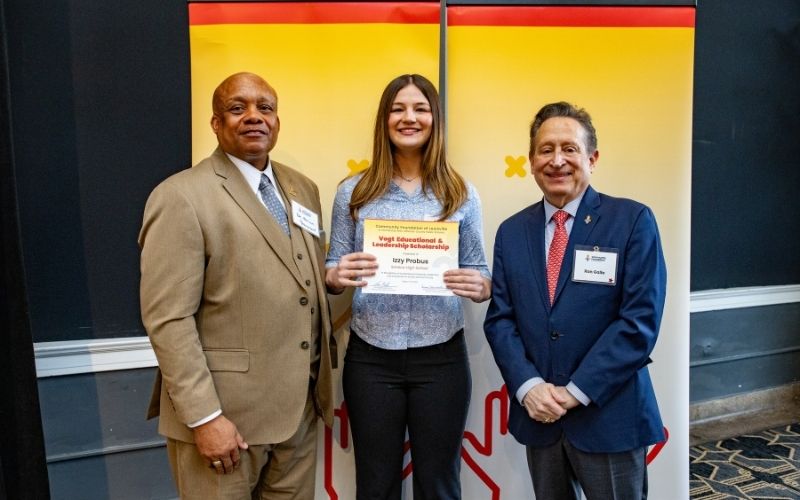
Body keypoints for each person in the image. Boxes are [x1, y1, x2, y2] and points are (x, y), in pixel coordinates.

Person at [139, 72, 336, 499]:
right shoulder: (181, 197)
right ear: (215, 123)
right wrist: (205, 418)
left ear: (277, 121)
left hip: (298, 415)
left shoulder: (304, 190)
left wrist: (332, 280)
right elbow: (168, 320)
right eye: (237, 108)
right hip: (225, 422)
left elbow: (298, 280)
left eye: (265, 108)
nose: (254, 117)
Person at [484, 102, 666, 499]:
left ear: (592, 158)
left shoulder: (632, 220)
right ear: (531, 162)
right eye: (545, 150)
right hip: (540, 418)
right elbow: (500, 320)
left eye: (569, 148)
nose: (557, 160)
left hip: (609, 416)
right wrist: (529, 387)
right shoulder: (512, 232)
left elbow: (639, 322)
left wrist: (573, 391)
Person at [325, 73, 491, 499]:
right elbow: (331, 267)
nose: (409, 118)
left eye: (420, 108)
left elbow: (480, 271)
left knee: (439, 485)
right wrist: (337, 275)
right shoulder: (354, 192)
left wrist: (479, 285)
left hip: (442, 359)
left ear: (435, 119)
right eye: (398, 109)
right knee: (376, 485)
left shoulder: (460, 193)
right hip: (371, 358)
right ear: (384, 120)